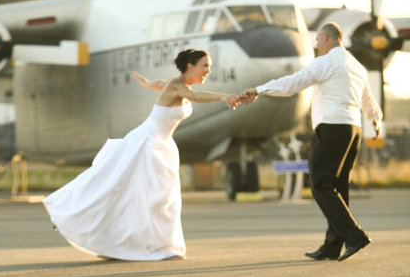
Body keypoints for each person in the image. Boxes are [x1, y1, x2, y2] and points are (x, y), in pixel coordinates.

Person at [43, 49, 241, 261]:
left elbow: (160, 83)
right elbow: (194, 96)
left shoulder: (173, 84)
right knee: (117, 187)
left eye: (209, 67)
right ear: (190, 66)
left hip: (162, 145)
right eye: (205, 66)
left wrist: (148, 84)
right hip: (147, 143)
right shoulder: (177, 86)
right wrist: (223, 96)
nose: (208, 71)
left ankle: (161, 246)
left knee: (156, 198)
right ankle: (67, 215)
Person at [240, 22, 383, 262]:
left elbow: (293, 83)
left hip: (331, 128)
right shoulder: (356, 65)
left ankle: (355, 236)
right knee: (338, 187)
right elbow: (367, 98)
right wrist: (376, 120)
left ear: (327, 38)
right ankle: (331, 246)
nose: (316, 45)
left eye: (317, 40)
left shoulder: (326, 62)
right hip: (353, 129)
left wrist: (260, 89)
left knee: (320, 184)